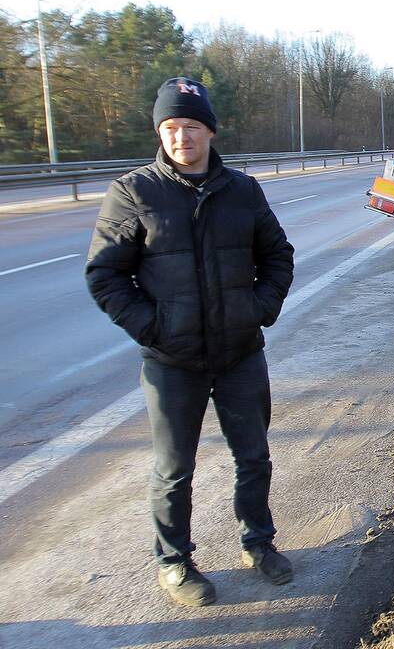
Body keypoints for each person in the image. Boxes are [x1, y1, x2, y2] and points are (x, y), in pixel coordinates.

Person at [86, 77, 295, 607]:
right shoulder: (134, 192)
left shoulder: (243, 191)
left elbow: (278, 256)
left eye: (192, 126)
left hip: (239, 353)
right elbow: (105, 276)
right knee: (174, 469)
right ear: (160, 131)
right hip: (170, 362)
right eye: (172, 127)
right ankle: (175, 561)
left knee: (253, 456)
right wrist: (154, 328)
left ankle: (259, 543)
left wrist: (258, 309)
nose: (182, 137)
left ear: (210, 131)